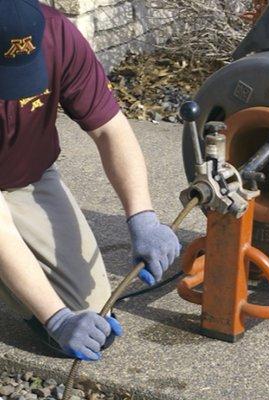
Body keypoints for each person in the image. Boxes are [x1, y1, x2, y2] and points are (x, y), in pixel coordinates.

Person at [0, 0, 180, 362]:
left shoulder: (56, 33)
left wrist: (141, 216)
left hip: (27, 177)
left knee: (95, 319)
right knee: (55, 314)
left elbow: (110, 129)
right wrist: (57, 318)